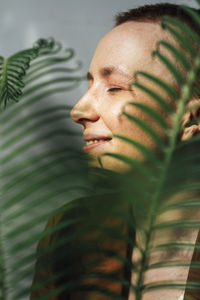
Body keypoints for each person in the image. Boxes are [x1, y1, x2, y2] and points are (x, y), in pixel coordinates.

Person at [31, 3, 200, 300]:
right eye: (90, 84)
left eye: (115, 88)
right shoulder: (71, 233)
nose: (79, 110)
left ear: (190, 119)